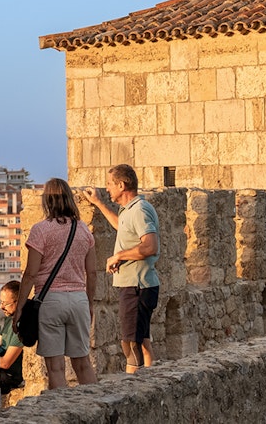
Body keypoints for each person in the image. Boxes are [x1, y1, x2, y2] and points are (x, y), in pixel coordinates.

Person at [13, 178, 98, 389]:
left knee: (56, 368)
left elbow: (31, 274)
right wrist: (89, 303)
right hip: (78, 299)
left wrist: (20, 307)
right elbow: (93, 272)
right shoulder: (84, 230)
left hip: (51, 301)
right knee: (83, 364)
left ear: (46, 201)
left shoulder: (41, 230)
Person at [81, 164, 160, 374]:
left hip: (137, 286)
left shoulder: (140, 210)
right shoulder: (130, 210)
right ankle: (150, 382)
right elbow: (121, 226)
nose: (107, 189)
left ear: (122, 185)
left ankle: (134, 387)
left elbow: (151, 246)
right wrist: (98, 203)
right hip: (139, 284)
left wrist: (118, 256)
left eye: (109, 184)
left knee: (130, 344)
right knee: (142, 341)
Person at [0, 280, 24, 394]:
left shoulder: (20, 327)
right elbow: (0, 344)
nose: (2, 307)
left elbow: (5, 363)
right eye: (1, 302)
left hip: (10, 376)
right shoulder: (9, 319)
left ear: (18, 302)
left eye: (6, 303)